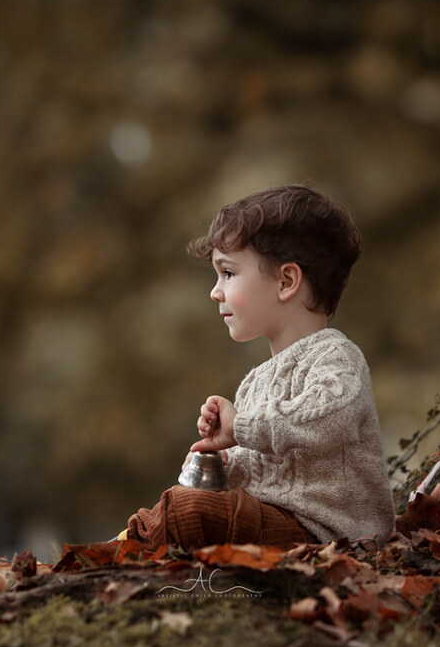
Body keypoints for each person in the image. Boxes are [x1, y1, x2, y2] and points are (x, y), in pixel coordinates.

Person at [120, 184, 396, 549]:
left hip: (328, 532)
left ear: (286, 281)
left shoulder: (338, 358)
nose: (215, 292)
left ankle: (117, 550)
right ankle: (129, 543)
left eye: (228, 273)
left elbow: (329, 420)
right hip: (274, 519)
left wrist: (242, 426)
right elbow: (264, 466)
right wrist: (220, 460)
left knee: (188, 512)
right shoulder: (255, 382)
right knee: (189, 499)